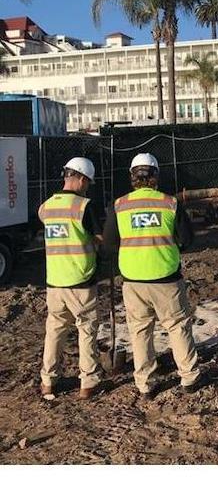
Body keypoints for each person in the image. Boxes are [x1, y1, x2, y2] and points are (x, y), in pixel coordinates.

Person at [102, 153, 204, 399]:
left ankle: (145, 383)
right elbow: (187, 240)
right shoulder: (170, 203)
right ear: (156, 175)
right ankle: (189, 378)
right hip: (166, 278)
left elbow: (109, 243)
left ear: (132, 176)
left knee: (140, 331)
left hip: (133, 281)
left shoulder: (120, 205)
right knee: (178, 327)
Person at [38, 157, 103, 400]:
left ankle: (48, 381)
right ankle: (88, 382)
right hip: (81, 281)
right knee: (86, 330)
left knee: (54, 330)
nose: (88, 187)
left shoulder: (46, 207)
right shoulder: (85, 206)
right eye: (88, 182)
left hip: (54, 281)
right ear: (82, 179)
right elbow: (98, 239)